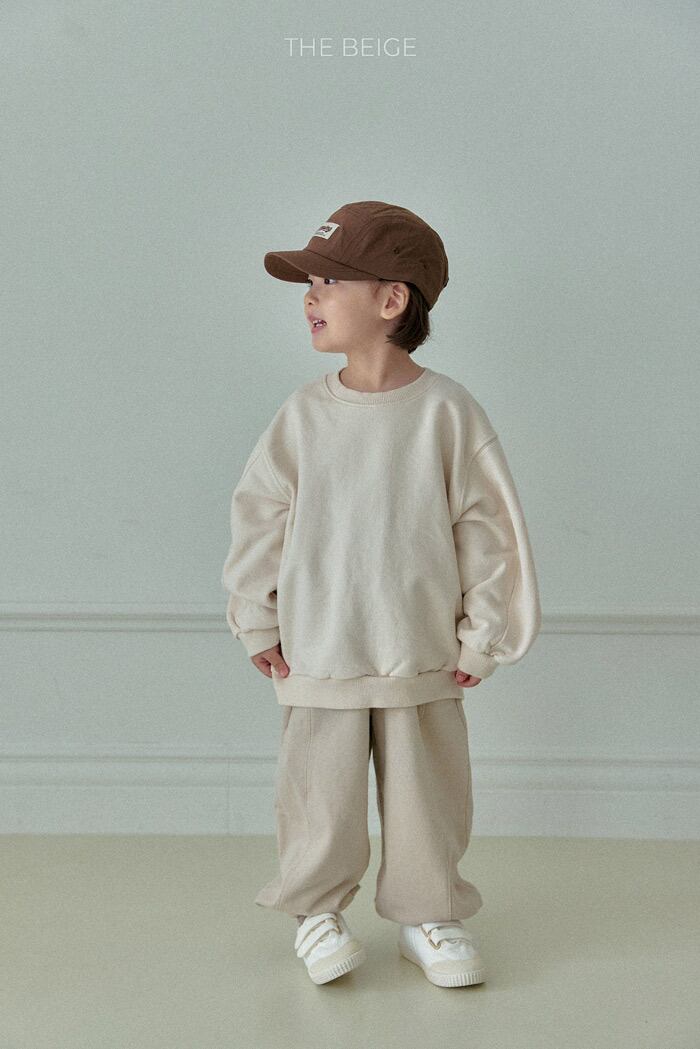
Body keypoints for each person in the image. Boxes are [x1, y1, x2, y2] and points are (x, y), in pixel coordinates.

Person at [221, 200, 542, 987]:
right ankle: (315, 910)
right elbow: (259, 516)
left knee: (428, 795)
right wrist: (256, 616)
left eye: (329, 281)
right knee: (317, 797)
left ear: (392, 299)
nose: (310, 296)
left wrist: (484, 635)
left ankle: (429, 914)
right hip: (320, 648)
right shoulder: (302, 417)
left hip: (420, 648)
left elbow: (489, 532)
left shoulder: (448, 413)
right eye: (309, 283)